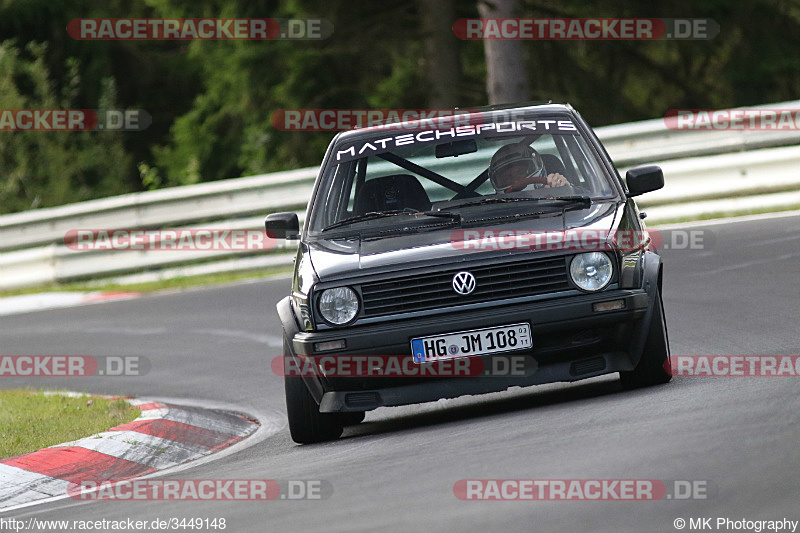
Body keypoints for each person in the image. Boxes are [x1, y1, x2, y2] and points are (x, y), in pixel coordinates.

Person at [488, 143, 570, 193]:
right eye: (507, 178)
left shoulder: (552, 192)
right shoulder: (493, 210)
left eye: (520, 173)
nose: (516, 181)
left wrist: (565, 189)